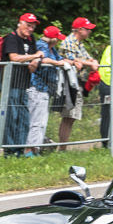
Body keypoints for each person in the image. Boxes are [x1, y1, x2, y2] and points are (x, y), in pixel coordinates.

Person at [0, 13, 43, 155]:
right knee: (11, 116)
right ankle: (9, 149)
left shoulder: (31, 40)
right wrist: (35, 57)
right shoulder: (12, 38)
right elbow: (14, 57)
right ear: (20, 23)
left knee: (24, 117)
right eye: (28, 25)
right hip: (11, 83)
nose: (30, 29)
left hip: (24, 83)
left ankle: (20, 147)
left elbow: (37, 55)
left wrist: (36, 61)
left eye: (33, 27)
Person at [57, 17, 99, 144]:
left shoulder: (79, 43)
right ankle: (62, 146)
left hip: (77, 81)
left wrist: (93, 61)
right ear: (80, 30)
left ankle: (64, 145)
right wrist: (89, 63)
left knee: (72, 116)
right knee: (68, 115)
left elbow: (87, 59)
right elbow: (74, 61)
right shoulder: (69, 42)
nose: (89, 32)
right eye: (87, 29)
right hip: (69, 83)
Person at [28, 24, 68, 155]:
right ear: (52, 39)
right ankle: (30, 150)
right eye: (57, 38)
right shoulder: (42, 46)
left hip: (45, 89)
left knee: (42, 122)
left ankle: (37, 148)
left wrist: (72, 62)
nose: (59, 41)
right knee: (36, 121)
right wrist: (58, 64)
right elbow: (43, 60)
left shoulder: (52, 49)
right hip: (37, 87)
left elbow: (60, 59)